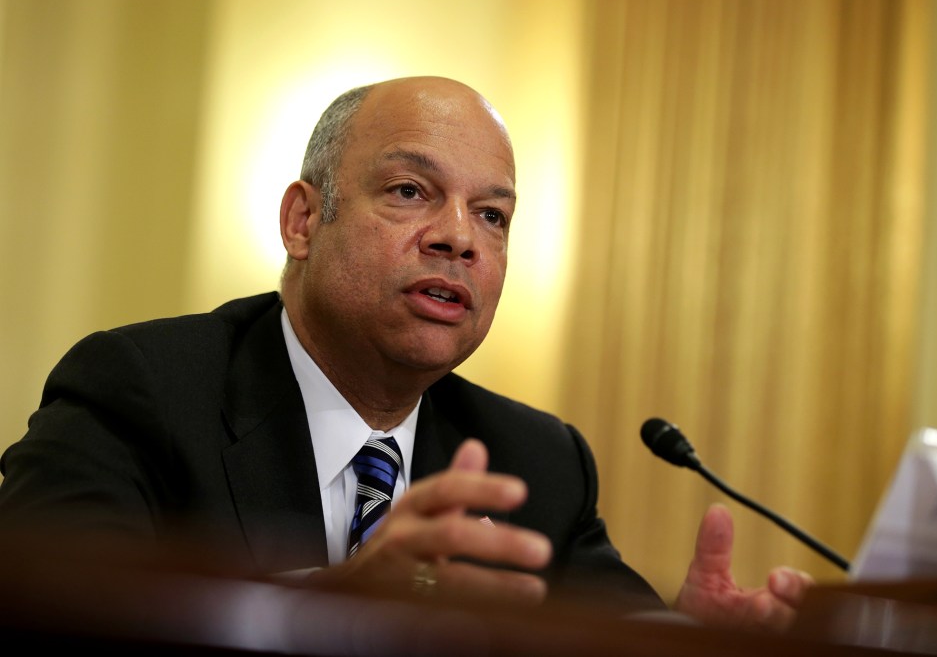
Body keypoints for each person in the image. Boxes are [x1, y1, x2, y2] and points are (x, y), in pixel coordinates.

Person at [0, 76, 810, 630]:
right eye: (410, 192)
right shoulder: (139, 393)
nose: (459, 238)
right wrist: (333, 607)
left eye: (492, 215)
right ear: (303, 222)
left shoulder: (536, 462)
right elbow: (48, 613)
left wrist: (687, 643)